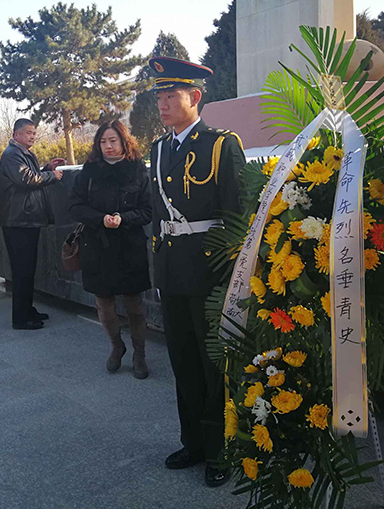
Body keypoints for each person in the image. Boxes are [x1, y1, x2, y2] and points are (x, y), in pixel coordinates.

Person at [148, 57, 245, 488]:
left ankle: (220, 448)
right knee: (183, 360)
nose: (163, 104)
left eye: (171, 96)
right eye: (160, 97)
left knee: (212, 364)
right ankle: (193, 442)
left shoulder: (221, 144)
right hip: (172, 270)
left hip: (209, 272)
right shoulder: (158, 149)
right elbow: (157, 214)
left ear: (195, 97)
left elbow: (237, 214)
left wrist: (231, 277)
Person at [69, 120, 152, 378]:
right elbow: (74, 206)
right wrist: (100, 219)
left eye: (113, 140)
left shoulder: (138, 170)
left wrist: (123, 219)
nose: (108, 146)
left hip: (130, 246)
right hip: (97, 245)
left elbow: (148, 210)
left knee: (134, 304)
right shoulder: (89, 171)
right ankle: (117, 346)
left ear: (124, 142)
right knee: (104, 305)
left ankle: (140, 354)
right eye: (103, 141)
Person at [0, 118, 64, 329]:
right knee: (22, 270)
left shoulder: (22, 153)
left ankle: (27, 310)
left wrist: (46, 168)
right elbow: (26, 179)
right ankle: (20, 318)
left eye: (34, 133)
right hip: (18, 221)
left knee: (27, 269)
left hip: (25, 219)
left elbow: (29, 175)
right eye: (28, 133)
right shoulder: (12, 154)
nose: (33, 136)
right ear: (16, 134)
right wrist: (51, 175)